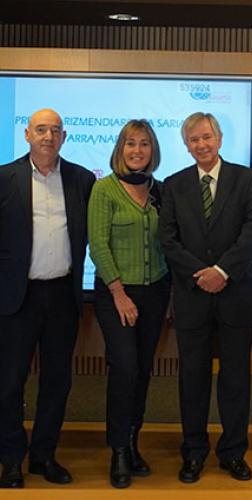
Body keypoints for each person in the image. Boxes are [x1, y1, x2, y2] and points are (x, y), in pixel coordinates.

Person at [159, 112, 252, 484]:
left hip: (235, 294)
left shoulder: (247, 179)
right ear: (186, 145)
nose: (201, 145)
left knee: (236, 379)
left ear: (219, 138)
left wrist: (222, 272)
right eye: (193, 140)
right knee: (192, 379)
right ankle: (193, 453)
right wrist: (200, 274)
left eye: (206, 137)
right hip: (192, 297)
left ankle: (233, 453)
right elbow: (168, 239)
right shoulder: (173, 185)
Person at [0, 109, 95, 488]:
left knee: (57, 382)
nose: (48, 136)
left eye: (55, 130)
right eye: (41, 129)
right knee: (9, 383)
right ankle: (10, 459)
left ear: (65, 136)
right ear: (26, 134)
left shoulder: (81, 179)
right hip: (16, 297)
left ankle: (43, 456)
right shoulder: (5, 178)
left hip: (62, 295)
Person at [88, 120, 170, 488]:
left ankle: (134, 444)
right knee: (124, 368)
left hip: (156, 293)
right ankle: (118, 450)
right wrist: (119, 294)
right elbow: (98, 244)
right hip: (115, 295)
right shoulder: (103, 189)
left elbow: (171, 243)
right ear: (120, 149)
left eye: (144, 144)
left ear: (153, 150)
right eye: (130, 144)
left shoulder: (162, 191)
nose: (137, 151)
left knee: (143, 372)